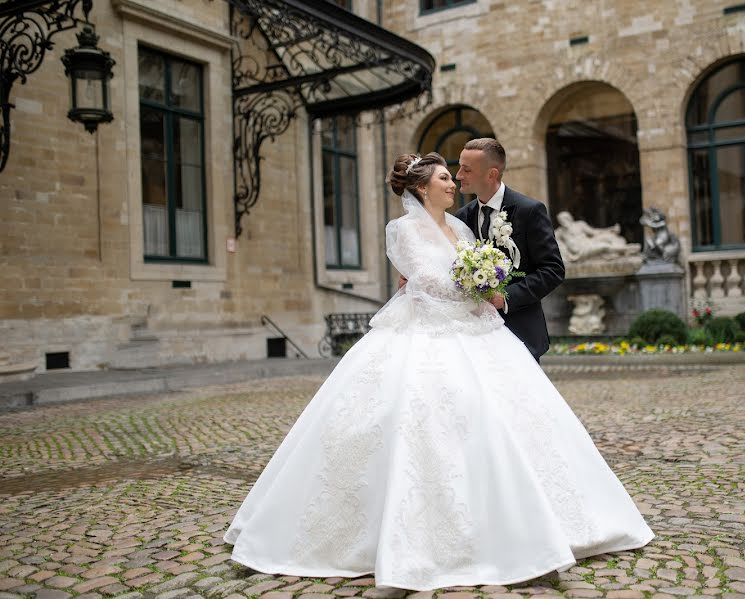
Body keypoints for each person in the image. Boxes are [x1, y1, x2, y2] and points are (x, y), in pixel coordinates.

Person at [223, 152, 654, 591]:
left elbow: (481, 270)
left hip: (478, 329)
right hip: (425, 331)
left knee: (507, 419)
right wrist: (473, 280)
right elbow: (424, 279)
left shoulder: (462, 226)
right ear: (422, 188)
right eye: (446, 178)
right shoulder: (403, 229)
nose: (454, 184)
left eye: (456, 176)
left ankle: (538, 520)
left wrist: (486, 280)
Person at [454, 138, 564, 362]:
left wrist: (505, 297)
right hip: (474, 337)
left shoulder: (530, 211)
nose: (458, 175)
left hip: (521, 333)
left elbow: (553, 270)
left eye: (466, 169)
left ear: (491, 174)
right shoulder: (461, 218)